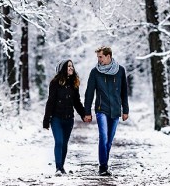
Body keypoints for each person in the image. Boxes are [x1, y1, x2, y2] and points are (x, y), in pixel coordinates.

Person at [83, 46, 129, 176]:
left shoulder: (120, 71)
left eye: (100, 57)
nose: (99, 59)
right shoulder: (95, 72)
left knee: (109, 140)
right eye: (98, 57)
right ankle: (103, 166)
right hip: (101, 109)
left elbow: (124, 92)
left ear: (108, 56)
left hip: (115, 110)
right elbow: (89, 93)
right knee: (103, 137)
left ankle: (105, 164)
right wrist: (87, 112)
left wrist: (125, 110)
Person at [43, 60, 86, 176]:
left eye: (72, 66)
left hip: (69, 119)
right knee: (59, 141)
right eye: (68, 66)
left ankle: (61, 167)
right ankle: (58, 168)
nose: (71, 68)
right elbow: (50, 102)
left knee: (65, 143)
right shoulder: (55, 83)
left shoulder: (74, 83)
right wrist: (46, 120)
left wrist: (83, 114)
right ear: (63, 69)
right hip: (56, 118)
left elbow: (77, 102)